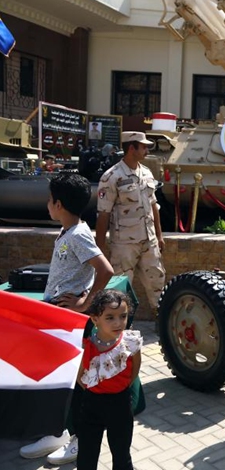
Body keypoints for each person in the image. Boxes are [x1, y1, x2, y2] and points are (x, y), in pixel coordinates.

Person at [19, 173, 114, 464]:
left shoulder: (79, 234)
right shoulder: (67, 231)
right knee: (58, 380)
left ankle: (80, 439)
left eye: (50, 200)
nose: (48, 205)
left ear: (58, 204)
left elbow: (106, 270)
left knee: (77, 382)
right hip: (56, 316)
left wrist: (84, 303)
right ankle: (56, 431)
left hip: (71, 321)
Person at [95, 131, 166, 312]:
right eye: (143, 146)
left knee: (158, 283)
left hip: (148, 241)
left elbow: (153, 206)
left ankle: (163, 323)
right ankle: (121, 329)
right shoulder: (111, 177)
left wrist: (159, 236)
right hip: (124, 244)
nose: (147, 149)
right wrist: (99, 250)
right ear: (131, 148)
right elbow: (103, 215)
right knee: (120, 289)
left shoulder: (147, 173)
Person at [77, 289, 142, 470]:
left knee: (121, 453)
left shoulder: (130, 342)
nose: (118, 323)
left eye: (123, 316)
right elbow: (80, 377)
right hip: (92, 404)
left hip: (120, 404)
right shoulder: (87, 346)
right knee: (87, 453)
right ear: (95, 319)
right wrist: (96, 391)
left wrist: (119, 388)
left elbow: (134, 369)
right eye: (110, 317)